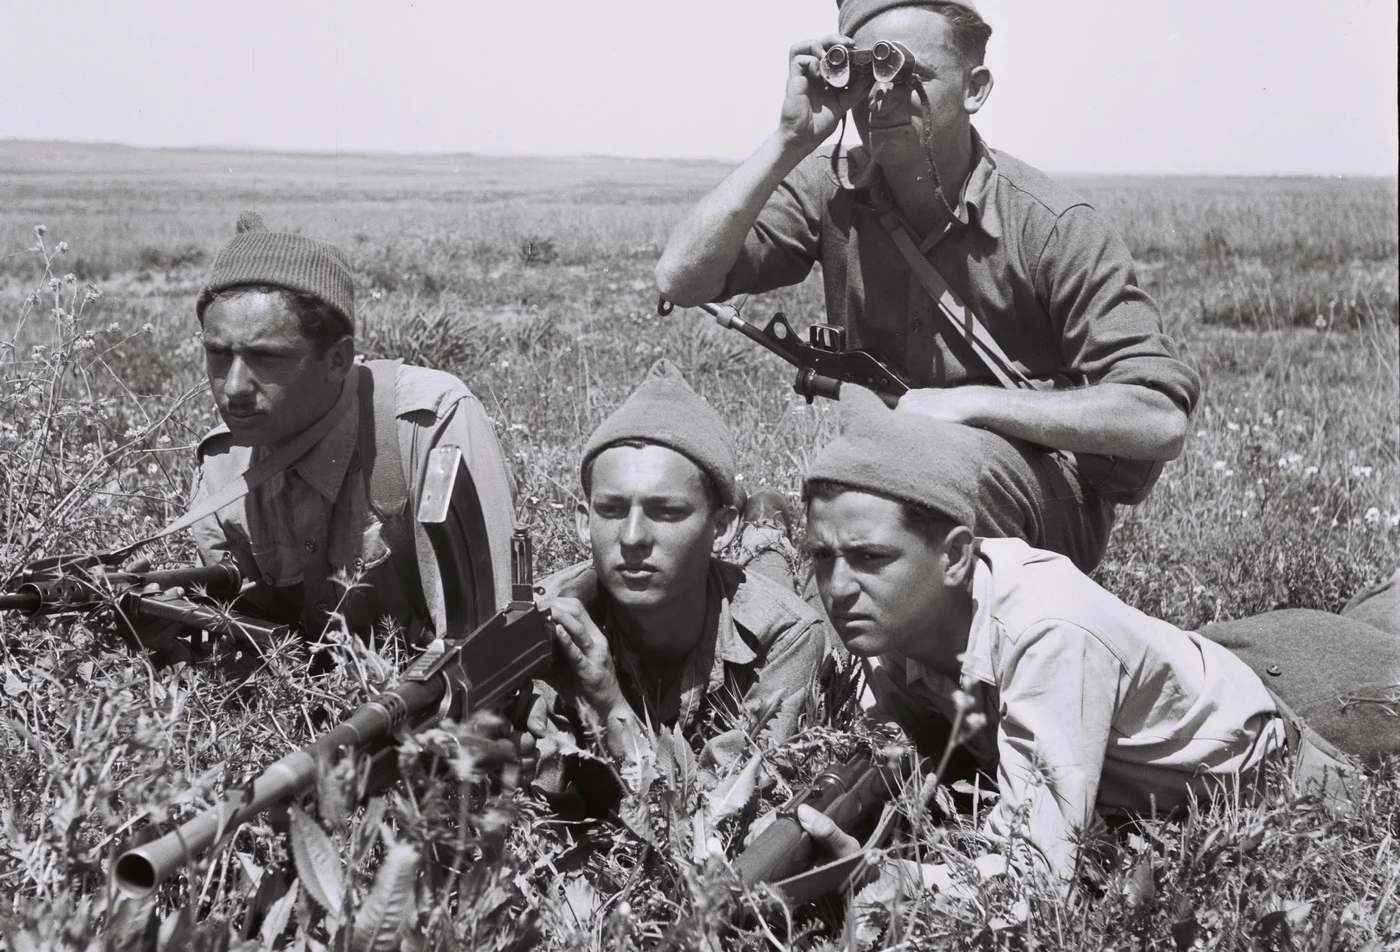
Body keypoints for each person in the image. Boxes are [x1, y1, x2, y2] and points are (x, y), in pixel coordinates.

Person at [655, 0, 1199, 573]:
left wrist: (970, 405)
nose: (880, 92)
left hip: (1030, 501)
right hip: (883, 484)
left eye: (902, 70)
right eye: (863, 72)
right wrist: (788, 138)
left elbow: (1157, 418)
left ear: (975, 88)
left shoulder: (1049, 224)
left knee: (932, 473)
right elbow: (681, 278)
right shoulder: (832, 191)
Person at [793, 386, 1292, 886]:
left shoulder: (1046, 632)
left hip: (1270, 766)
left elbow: (1036, 880)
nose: (837, 589)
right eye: (821, 555)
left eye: (870, 557)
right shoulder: (896, 616)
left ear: (956, 557)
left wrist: (885, 878)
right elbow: (899, 742)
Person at [186, 211, 516, 645]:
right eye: (219, 354)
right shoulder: (223, 465)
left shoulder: (424, 425)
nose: (233, 388)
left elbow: (488, 640)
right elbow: (245, 639)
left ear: (338, 360)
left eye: (266, 358)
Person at [528, 360, 828, 796]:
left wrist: (608, 699)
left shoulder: (787, 635)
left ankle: (766, 535)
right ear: (581, 522)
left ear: (722, 528)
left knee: (807, 597)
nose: (631, 538)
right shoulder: (545, 617)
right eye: (611, 510)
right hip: (709, 576)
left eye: (666, 512)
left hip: (740, 595)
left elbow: (717, 807)